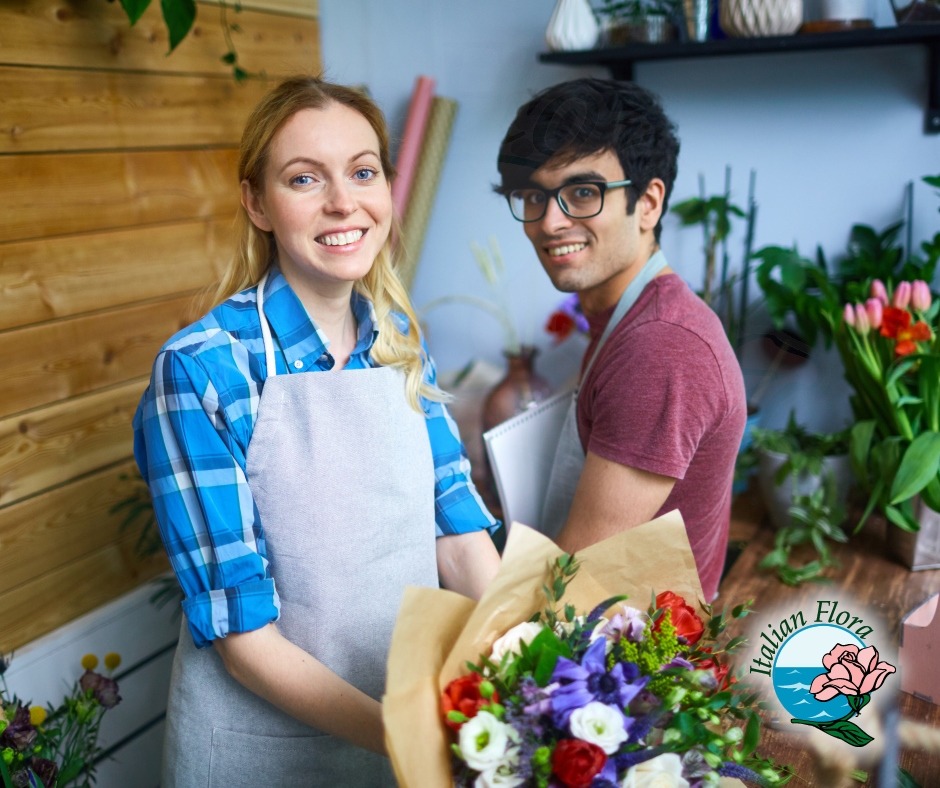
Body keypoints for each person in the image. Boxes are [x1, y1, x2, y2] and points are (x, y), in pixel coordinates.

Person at [133, 75, 501, 787]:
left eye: (363, 172)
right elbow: (242, 638)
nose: (343, 202)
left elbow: (457, 537)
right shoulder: (203, 370)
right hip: (266, 749)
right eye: (305, 178)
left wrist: (548, 670)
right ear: (257, 203)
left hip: (408, 727)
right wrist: (410, 739)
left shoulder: (397, 340)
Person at [495, 78, 746, 602]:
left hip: (634, 670)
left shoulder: (660, 346)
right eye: (533, 196)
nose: (550, 222)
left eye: (582, 192)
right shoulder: (627, 320)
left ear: (648, 203)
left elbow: (574, 573)